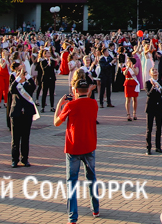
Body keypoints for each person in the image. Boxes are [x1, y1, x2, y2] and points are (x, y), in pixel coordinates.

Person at [54, 70, 100, 223]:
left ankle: (72, 216)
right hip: (89, 145)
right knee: (91, 177)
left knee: (71, 182)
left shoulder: (70, 105)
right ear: (88, 90)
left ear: (74, 90)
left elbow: (56, 122)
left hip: (73, 147)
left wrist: (61, 103)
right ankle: (95, 208)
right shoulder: (93, 103)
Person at [9, 63, 38, 168]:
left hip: (26, 114)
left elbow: (34, 86)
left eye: (22, 74)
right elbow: (11, 90)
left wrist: (26, 74)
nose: (21, 76)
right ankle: (14, 160)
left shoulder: (28, 86)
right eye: (19, 74)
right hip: (16, 114)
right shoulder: (15, 85)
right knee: (15, 139)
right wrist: (17, 78)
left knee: (25, 138)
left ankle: (25, 159)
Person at [145, 68, 162, 155]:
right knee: (149, 129)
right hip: (150, 107)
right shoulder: (148, 83)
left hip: (159, 107)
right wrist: (153, 87)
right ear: (150, 73)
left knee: (159, 128)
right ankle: (148, 148)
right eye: (153, 70)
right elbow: (149, 94)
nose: (155, 71)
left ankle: (158, 147)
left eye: (156, 70)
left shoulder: (161, 81)